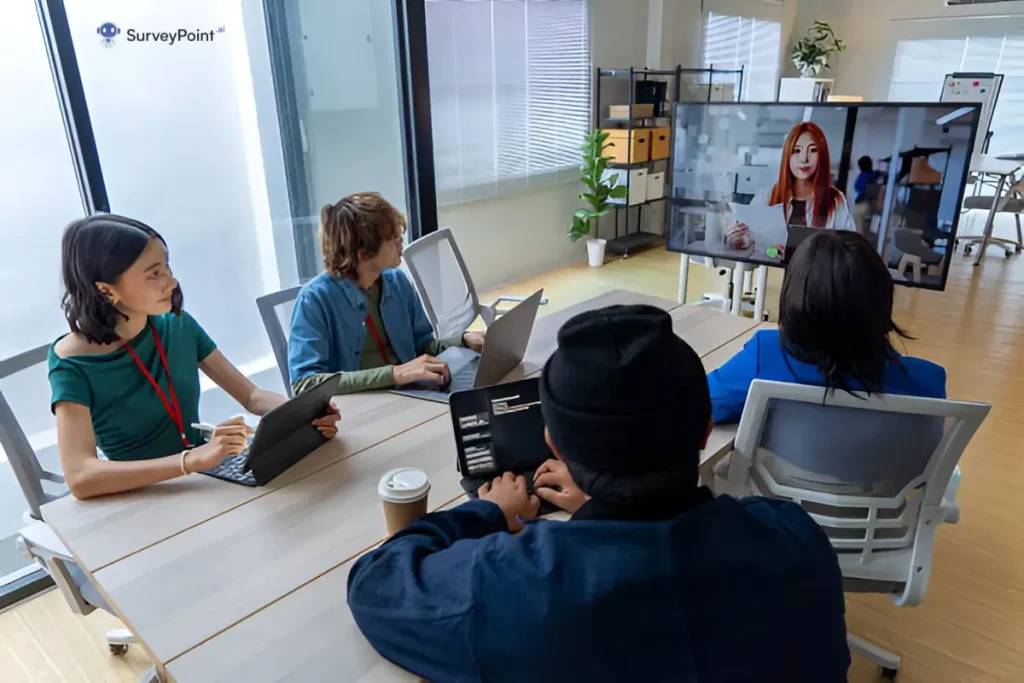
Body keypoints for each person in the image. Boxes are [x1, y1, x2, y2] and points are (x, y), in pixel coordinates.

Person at [347, 305, 851, 682]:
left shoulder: (509, 587)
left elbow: (375, 584)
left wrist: (484, 511)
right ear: (705, 431)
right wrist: (600, 509)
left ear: (554, 446)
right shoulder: (797, 541)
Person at [49, 215, 340, 500]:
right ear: (106, 291)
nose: (172, 282)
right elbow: (80, 477)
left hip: (202, 481)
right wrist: (190, 461)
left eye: (167, 266)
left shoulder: (177, 325)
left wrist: (306, 415)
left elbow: (252, 396)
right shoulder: (71, 362)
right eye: (154, 273)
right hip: (139, 497)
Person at [708, 229, 946, 425]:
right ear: (882, 296)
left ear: (794, 294)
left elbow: (703, 403)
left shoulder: (765, 356)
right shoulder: (927, 382)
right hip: (883, 483)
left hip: (774, 482)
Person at [288, 192, 485, 396]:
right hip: (363, 409)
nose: (401, 243)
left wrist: (462, 340)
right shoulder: (314, 300)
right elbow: (305, 384)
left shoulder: (397, 281)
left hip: (415, 395)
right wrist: (394, 374)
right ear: (362, 252)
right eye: (392, 238)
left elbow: (421, 347)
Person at [727, 121, 855, 250]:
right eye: (796, 150)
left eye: (813, 150)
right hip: (774, 270)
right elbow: (758, 248)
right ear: (787, 156)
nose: (804, 158)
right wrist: (740, 241)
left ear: (822, 155)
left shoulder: (835, 199)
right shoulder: (767, 195)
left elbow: (848, 248)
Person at [852, 155, 884, 239]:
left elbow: (861, 189)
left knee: (858, 231)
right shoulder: (875, 176)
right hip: (871, 206)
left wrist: (859, 199)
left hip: (862, 204)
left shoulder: (864, 176)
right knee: (868, 230)